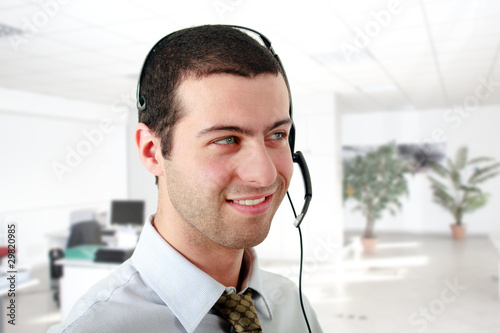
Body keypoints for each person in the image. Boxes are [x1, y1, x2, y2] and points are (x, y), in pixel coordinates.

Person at [48, 24, 323, 333]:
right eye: (226, 139)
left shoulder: (293, 306)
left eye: (277, 134)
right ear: (152, 151)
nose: (265, 174)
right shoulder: (94, 328)